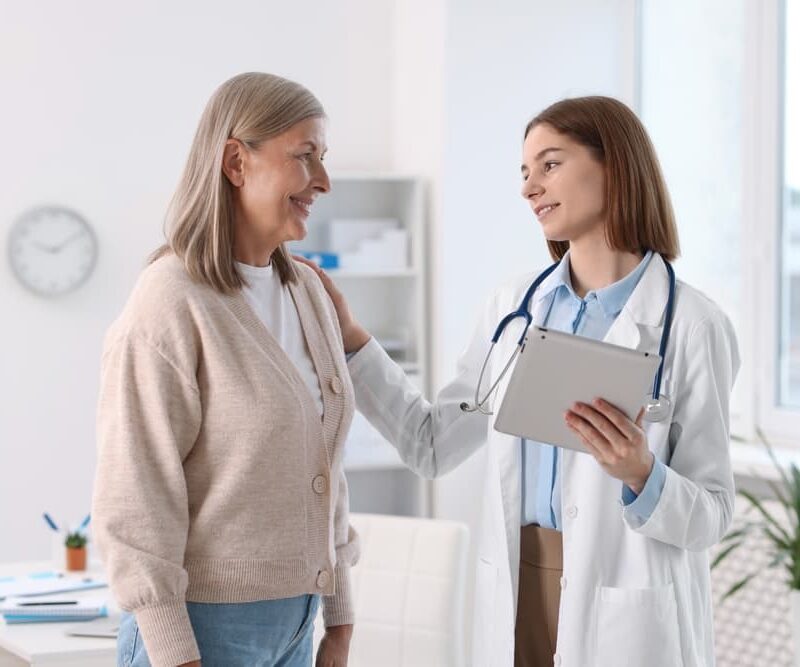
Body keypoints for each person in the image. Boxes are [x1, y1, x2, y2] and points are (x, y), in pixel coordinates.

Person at [302, 96, 739, 666]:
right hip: (517, 584)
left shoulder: (693, 325)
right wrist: (354, 340)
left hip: (624, 603)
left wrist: (642, 473)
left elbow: (713, 513)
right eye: (525, 172)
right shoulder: (515, 309)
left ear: (616, 166)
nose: (529, 188)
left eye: (550, 165)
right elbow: (430, 444)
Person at [92, 72, 359, 667]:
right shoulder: (170, 300)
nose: (323, 180)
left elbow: (327, 472)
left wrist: (338, 619)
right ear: (237, 161)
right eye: (305, 155)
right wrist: (174, 651)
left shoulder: (309, 292)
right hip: (197, 635)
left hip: (299, 625)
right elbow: (134, 495)